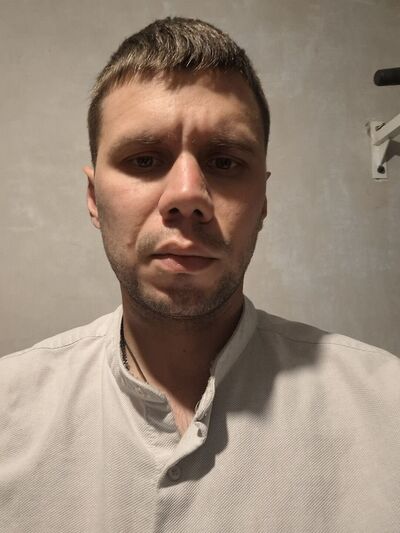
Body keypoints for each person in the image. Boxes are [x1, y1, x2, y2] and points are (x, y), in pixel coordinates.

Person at [0, 17, 399, 533]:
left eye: (225, 162)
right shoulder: (9, 411)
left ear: (262, 201)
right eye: (145, 159)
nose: (188, 195)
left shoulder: (387, 410)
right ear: (94, 198)